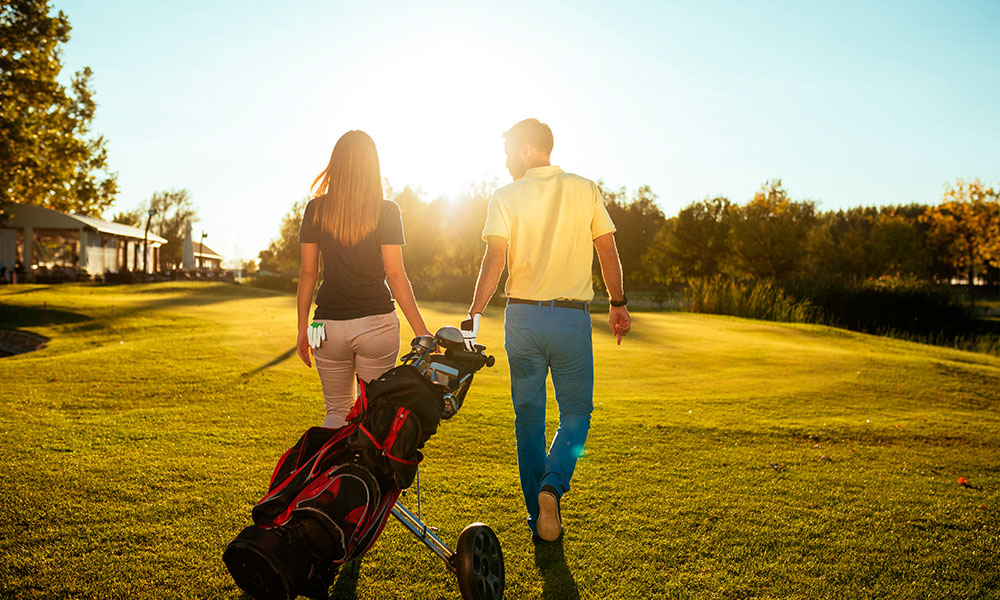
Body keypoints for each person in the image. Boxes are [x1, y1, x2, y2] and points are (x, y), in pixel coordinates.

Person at [468, 118, 632, 542]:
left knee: (528, 421)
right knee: (576, 413)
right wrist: (617, 304)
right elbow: (608, 251)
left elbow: (495, 260)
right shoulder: (585, 188)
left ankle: (536, 516)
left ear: (527, 150)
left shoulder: (504, 196)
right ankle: (551, 488)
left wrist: (475, 312)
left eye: (508, 151)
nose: (505, 161)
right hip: (570, 320)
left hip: (522, 320)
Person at [296, 130, 432, 428]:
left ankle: (335, 475)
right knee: (373, 416)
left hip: (322, 327)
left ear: (337, 164)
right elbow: (395, 274)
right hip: (376, 326)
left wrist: (302, 330)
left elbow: (308, 273)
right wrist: (421, 331)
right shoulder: (387, 211)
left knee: (335, 412)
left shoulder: (315, 209)